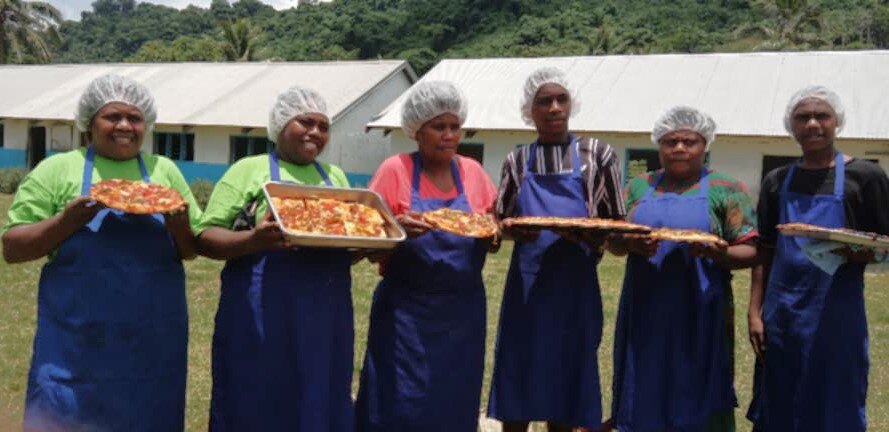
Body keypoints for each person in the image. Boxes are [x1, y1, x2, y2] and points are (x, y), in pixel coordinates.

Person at [1, 74, 201, 431]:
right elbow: (13, 248)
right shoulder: (58, 169)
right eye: (113, 117)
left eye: (135, 118)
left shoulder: (163, 172)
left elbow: (189, 251)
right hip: (74, 344)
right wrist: (67, 221)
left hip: (152, 344)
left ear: (147, 125)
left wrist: (179, 224)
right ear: (89, 122)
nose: (125, 126)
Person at [196, 86, 354, 431]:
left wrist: (370, 246)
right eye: (305, 122)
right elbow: (207, 237)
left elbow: (347, 244)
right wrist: (254, 240)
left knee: (319, 389)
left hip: (325, 311)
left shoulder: (336, 179)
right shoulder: (247, 171)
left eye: (323, 126)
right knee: (255, 392)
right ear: (280, 124)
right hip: (260, 310)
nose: (315, 132)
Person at [487, 67, 625, 432]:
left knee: (567, 378)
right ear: (528, 110)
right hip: (527, 288)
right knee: (520, 373)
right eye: (544, 101)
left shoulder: (598, 155)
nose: (554, 107)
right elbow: (501, 222)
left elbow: (616, 226)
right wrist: (518, 231)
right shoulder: (517, 162)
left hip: (575, 285)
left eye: (561, 99)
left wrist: (590, 235)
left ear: (571, 104)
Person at [354, 81, 498, 431]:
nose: (449, 135)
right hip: (407, 314)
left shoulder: (473, 173)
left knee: (455, 401)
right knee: (400, 401)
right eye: (438, 127)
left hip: (463, 315)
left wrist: (493, 235)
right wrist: (395, 232)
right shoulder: (396, 170)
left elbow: (491, 227)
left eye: (454, 127)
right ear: (417, 131)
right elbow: (364, 244)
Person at [746, 86, 889, 432]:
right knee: (780, 392)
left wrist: (850, 249)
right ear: (791, 126)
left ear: (836, 121)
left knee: (834, 393)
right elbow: (765, 248)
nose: (812, 124)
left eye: (821, 115)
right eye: (802, 117)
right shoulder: (777, 180)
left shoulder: (865, 177)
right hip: (782, 312)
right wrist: (754, 312)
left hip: (836, 312)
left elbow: (884, 244)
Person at [608, 106, 758, 432]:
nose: (678, 148)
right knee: (643, 385)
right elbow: (613, 239)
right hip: (645, 309)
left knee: (699, 391)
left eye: (688, 141)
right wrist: (630, 245)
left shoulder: (727, 189)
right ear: (658, 145)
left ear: (705, 145)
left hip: (703, 310)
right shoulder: (637, 186)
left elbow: (751, 249)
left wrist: (717, 253)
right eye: (670, 141)